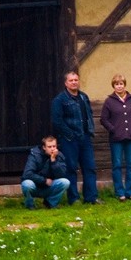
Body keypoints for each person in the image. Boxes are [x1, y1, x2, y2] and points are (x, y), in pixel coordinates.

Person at [51, 71, 101, 204]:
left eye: (76, 80)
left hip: (85, 137)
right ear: (66, 83)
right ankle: (74, 199)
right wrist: (70, 134)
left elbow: (88, 115)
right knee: (71, 168)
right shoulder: (60, 100)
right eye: (71, 80)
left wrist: (90, 131)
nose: (74, 82)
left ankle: (91, 197)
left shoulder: (84, 97)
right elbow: (57, 121)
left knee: (90, 168)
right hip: (69, 140)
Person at [100, 74, 131, 201]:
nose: (119, 86)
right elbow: (103, 119)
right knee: (117, 165)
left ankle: (130, 191)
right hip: (116, 139)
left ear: (125, 85)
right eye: (116, 84)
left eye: (121, 84)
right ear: (113, 86)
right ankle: (119, 192)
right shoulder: (109, 101)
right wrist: (113, 129)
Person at [21, 136, 70, 209]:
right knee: (27, 184)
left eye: (54, 146)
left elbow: (62, 174)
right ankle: (30, 205)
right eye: (49, 147)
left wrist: (53, 161)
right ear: (44, 147)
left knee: (65, 182)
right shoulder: (35, 155)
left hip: (49, 187)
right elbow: (27, 174)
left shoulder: (59, 155)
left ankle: (50, 203)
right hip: (35, 185)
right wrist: (44, 180)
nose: (52, 149)